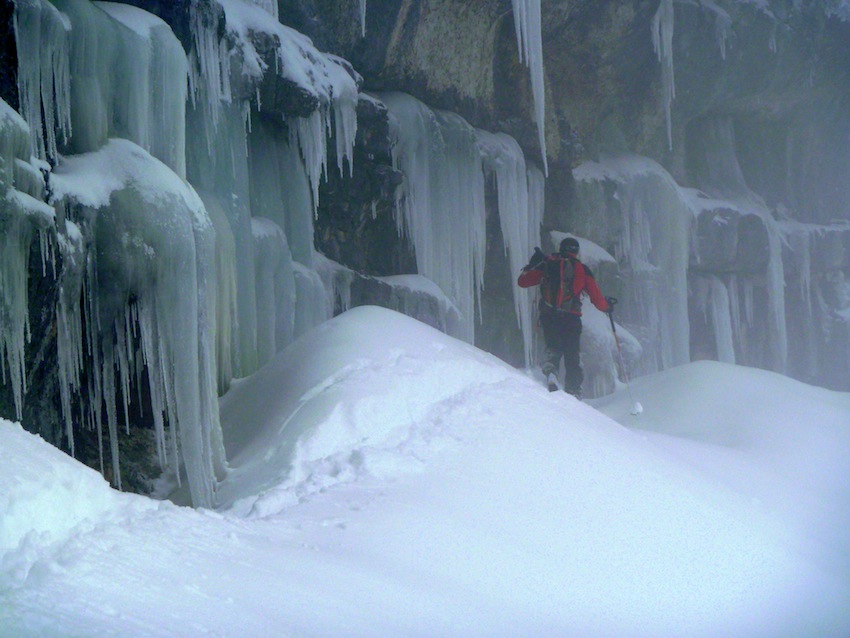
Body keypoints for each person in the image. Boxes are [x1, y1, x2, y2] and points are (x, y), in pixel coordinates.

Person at [517, 236, 611, 398]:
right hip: (571, 318)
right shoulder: (582, 269)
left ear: (561, 248)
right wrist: (607, 307)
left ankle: (551, 372)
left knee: (553, 346)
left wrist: (533, 265)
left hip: (549, 315)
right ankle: (573, 390)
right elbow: (596, 298)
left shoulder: (548, 264)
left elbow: (523, 282)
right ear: (576, 252)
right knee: (572, 353)